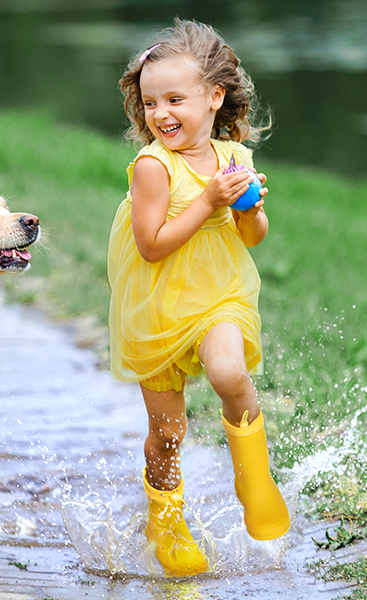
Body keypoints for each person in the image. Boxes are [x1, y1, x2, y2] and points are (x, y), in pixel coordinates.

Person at [108, 18, 289, 577]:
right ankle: (166, 521)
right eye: (151, 101)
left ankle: (254, 480)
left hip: (219, 295)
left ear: (214, 98)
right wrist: (210, 199)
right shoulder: (152, 167)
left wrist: (249, 211)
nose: (161, 113)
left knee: (230, 374)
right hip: (157, 304)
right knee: (167, 434)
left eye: (175, 99)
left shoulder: (234, 158)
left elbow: (253, 238)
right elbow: (153, 245)